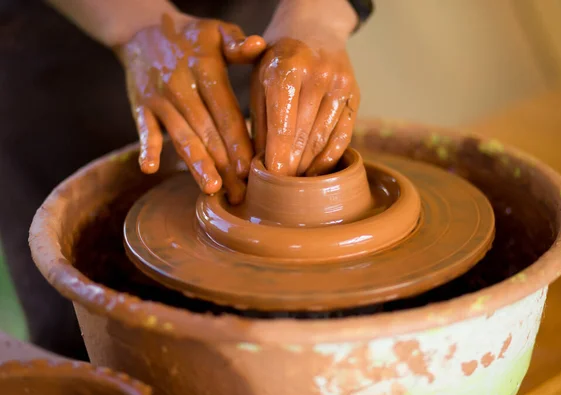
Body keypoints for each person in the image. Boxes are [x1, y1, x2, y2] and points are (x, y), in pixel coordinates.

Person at [0, 0, 372, 359]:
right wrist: (136, 25)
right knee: (84, 326)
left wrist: (318, 18)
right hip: (66, 44)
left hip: (263, 20)